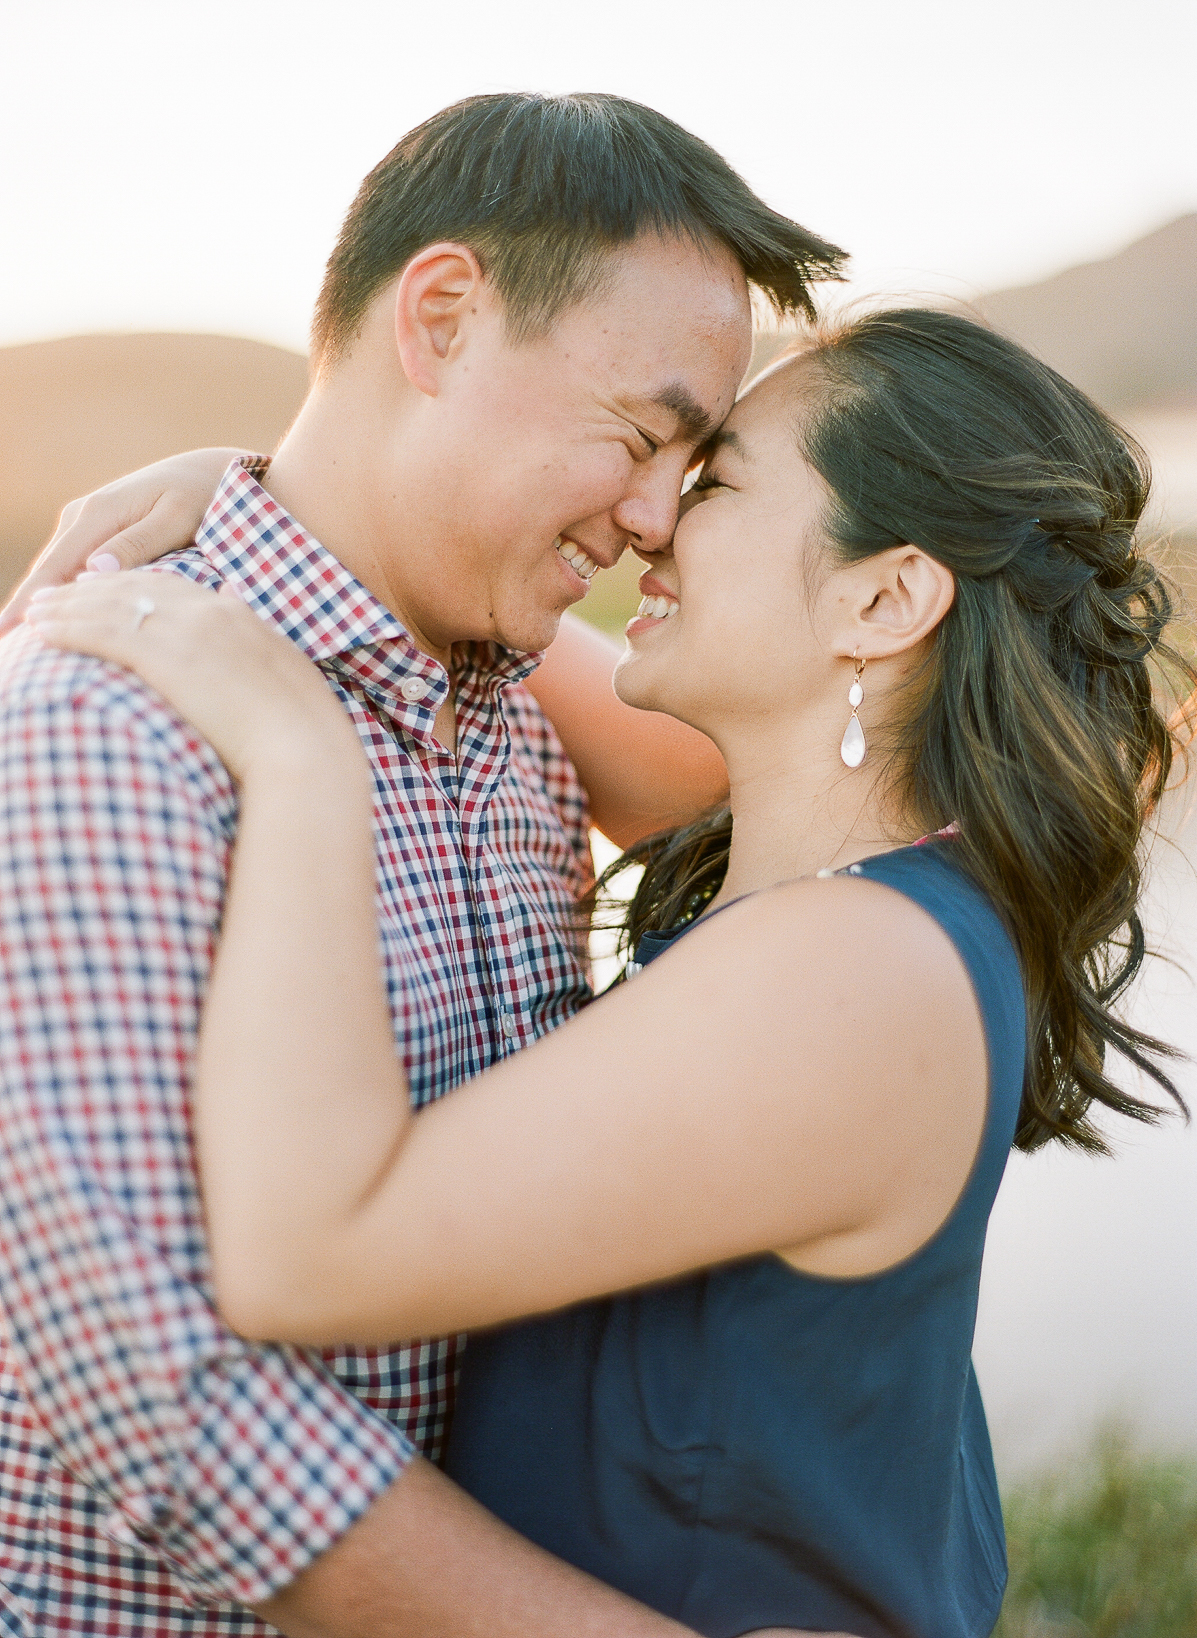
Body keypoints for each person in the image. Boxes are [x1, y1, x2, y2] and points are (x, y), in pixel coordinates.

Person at [24, 306, 1196, 1637]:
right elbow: (391, 560)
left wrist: (298, 759)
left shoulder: (852, 970)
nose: (651, 523)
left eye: (717, 483)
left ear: (885, 597)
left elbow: (308, 1253)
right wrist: (249, 490)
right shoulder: (853, 862)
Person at [0, 92, 847, 1638]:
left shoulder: (522, 728)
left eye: (694, 464)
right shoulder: (101, 726)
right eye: (640, 433)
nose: (657, 515)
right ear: (443, 316)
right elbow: (168, 1406)